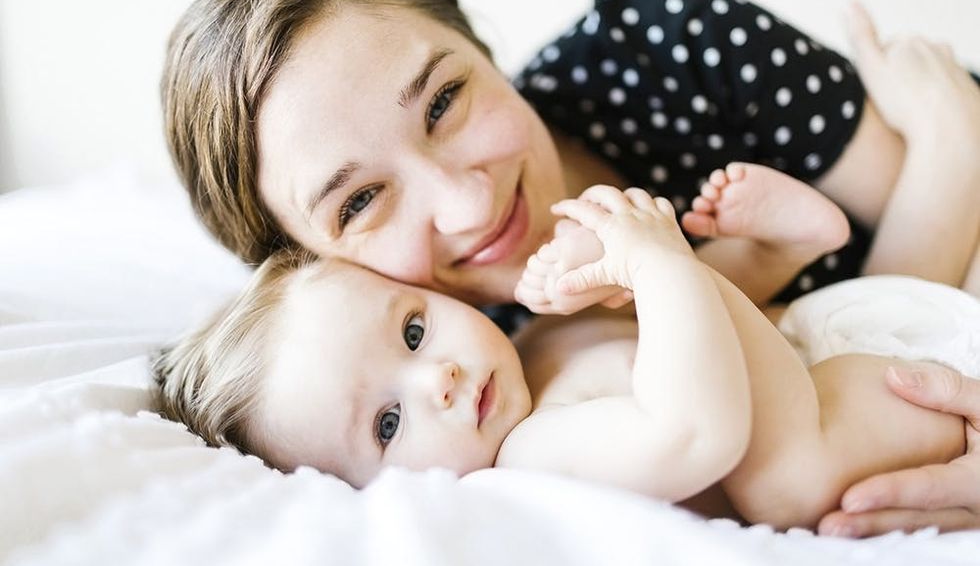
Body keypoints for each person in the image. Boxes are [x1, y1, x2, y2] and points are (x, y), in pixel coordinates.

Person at [161, 0, 980, 534]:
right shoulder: (471, 385)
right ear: (311, 266)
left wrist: (954, 134)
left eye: (444, 101)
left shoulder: (655, 51)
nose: (468, 205)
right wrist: (950, 146)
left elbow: (898, 297)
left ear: (480, 46)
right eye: (360, 201)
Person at [154, 164, 975, 531]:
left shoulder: (535, 340)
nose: (436, 379)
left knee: (686, 319)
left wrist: (727, 268)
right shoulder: (529, 454)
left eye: (412, 331)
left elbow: (717, 331)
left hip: (827, 345)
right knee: (785, 482)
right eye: (388, 426)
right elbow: (697, 430)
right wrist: (653, 262)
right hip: (838, 428)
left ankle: (785, 249)